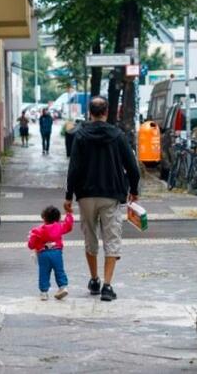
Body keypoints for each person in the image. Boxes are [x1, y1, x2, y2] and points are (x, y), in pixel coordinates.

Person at [64, 96, 140, 302]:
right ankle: (107, 285)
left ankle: (94, 279)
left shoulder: (80, 136)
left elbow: (74, 167)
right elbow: (132, 166)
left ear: (90, 113)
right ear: (107, 112)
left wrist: (69, 196)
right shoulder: (118, 136)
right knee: (112, 238)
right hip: (111, 194)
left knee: (90, 237)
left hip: (86, 195)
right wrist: (134, 190)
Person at [27, 205, 74, 301]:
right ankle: (63, 287)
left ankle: (44, 292)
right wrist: (69, 214)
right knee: (59, 270)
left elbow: (31, 245)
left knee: (44, 272)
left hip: (43, 254)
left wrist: (31, 241)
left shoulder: (38, 231)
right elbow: (68, 226)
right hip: (57, 252)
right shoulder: (59, 227)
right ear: (58, 218)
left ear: (44, 218)